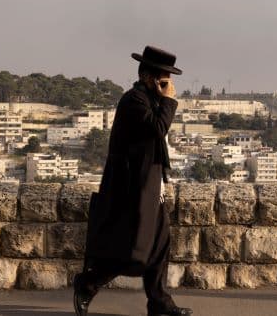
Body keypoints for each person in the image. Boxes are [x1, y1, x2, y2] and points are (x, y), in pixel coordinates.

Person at [73, 46, 192, 316]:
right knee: (133, 248)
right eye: (165, 79)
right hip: (132, 188)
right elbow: (158, 128)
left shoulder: (150, 99)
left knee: (161, 244)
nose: (169, 85)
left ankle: (159, 302)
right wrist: (169, 101)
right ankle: (88, 284)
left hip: (151, 184)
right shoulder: (134, 101)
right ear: (150, 77)